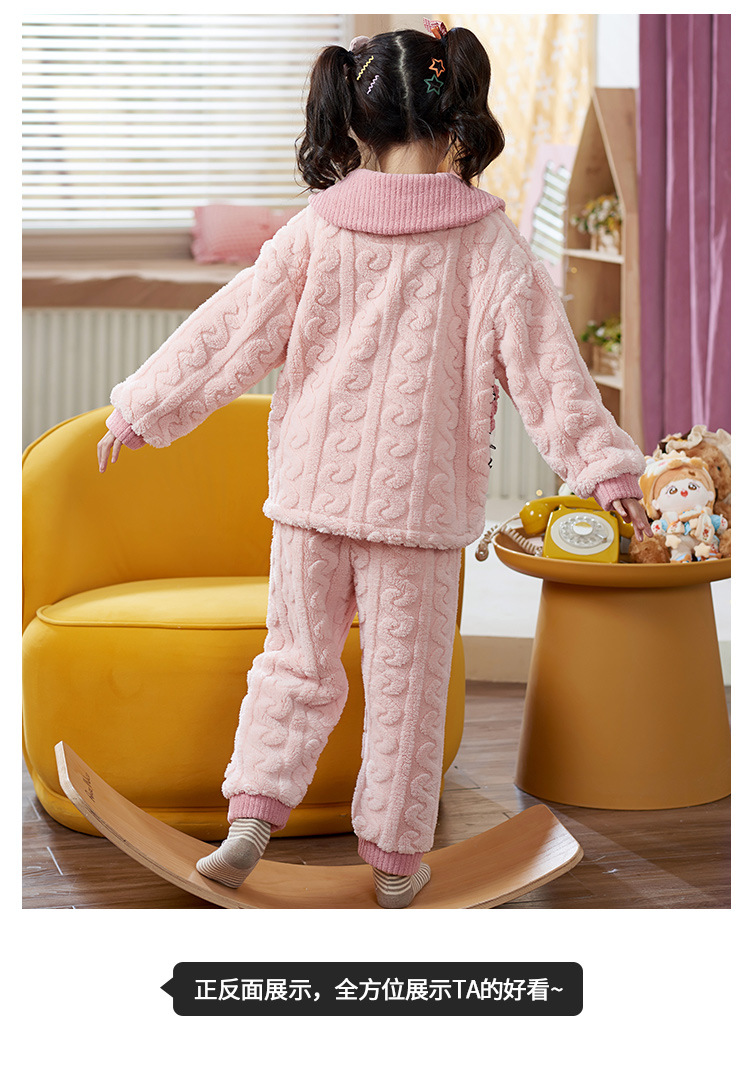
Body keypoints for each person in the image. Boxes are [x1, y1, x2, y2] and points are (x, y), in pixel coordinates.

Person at [97, 21, 651, 908]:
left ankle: (250, 820)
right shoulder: (489, 246)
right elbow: (551, 374)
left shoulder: (316, 230)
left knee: (294, 663)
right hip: (416, 511)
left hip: (310, 495)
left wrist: (141, 407)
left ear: (355, 121)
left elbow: (230, 331)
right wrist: (607, 471)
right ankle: (396, 861)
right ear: (456, 115)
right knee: (406, 689)